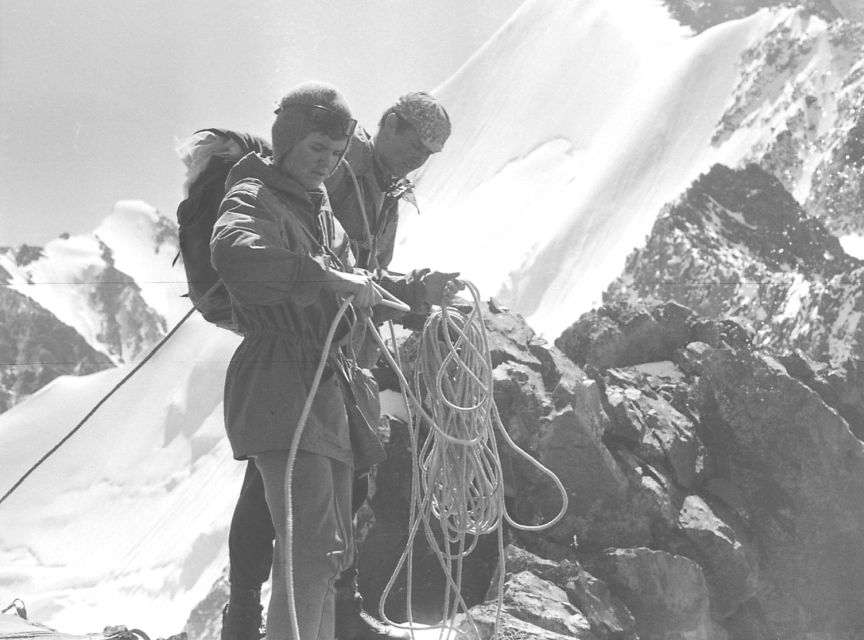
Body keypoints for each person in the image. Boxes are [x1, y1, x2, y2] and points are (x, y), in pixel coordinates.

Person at [220, 88, 458, 640]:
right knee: (296, 522)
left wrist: (414, 294)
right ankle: (247, 614)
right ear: (390, 125)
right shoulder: (304, 187)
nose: (326, 162)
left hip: (336, 369)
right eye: (317, 149)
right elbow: (245, 253)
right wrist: (328, 279)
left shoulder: (350, 198)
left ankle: (310, 617)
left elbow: (360, 278)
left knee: (321, 530)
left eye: (333, 152)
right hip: (292, 362)